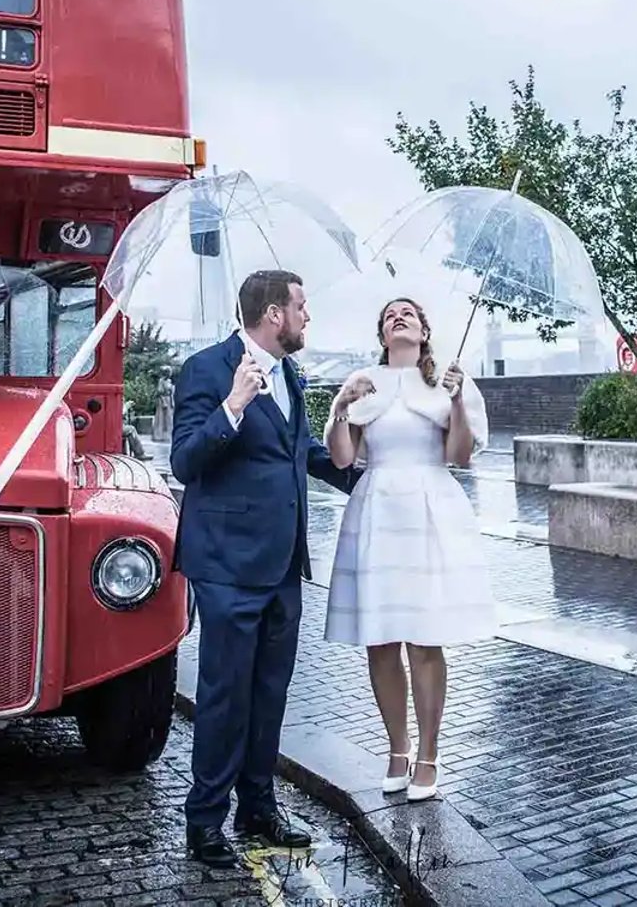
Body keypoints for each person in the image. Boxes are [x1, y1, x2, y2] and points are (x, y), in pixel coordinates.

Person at [169, 269, 359, 868]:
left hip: (282, 564)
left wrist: (366, 479)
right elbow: (184, 462)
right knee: (224, 696)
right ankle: (204, 822)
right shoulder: (207, 368)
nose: (308, 318)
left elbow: (299, 451)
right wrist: (232, 405)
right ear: (273, 314)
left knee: (269, 693)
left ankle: (257, 805)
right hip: (226, 564)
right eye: (302, 307)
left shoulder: (291, 375)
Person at [322, 297, 495, 802]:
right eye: (390, 315)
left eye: (409, 314)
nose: (399, 318)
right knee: (380, 640)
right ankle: (397, 749)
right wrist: (339, 407)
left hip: (428, 510)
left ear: (423, 331)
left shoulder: (445, 380)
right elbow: (343, 456)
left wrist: (458, 402)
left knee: (424, 638)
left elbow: (458, 456)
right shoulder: (365, 381)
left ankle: (429, 755)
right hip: (376, 509)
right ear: (382, 334)